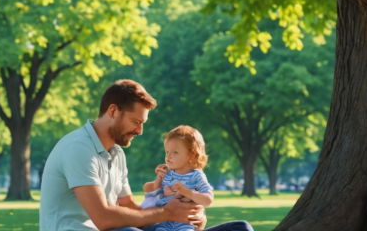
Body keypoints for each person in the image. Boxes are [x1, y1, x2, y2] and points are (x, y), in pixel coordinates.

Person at [39, 79, 252, 231]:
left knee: (240, 228)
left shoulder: (116, 153)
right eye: (136, 122)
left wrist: (186, 217)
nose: (140, 131)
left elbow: (131, 207)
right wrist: (168, 213)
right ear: (113, 111)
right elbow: (103, 218)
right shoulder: (79, 149)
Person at [141, 126, 214, 231]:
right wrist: (159, 179)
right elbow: (147, 188)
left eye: (175, 152)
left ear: (191, 155)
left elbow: (208, 200)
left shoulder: (196, 176)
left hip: (185, 223)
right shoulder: (169, 174)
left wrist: (189, 193)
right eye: (167, 152)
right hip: (164, 222)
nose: (168, 156)